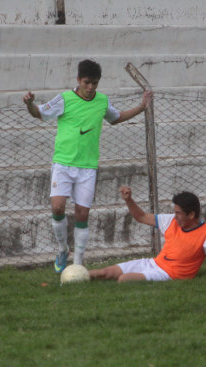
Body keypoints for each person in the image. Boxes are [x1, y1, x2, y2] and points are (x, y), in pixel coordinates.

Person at [23, 59, 153, 273]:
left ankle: (78, 264)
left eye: (95, 83)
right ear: (78, 80)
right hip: (63, 163)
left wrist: (141, 106)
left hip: (87, 167)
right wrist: (29, 104)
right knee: (57, 207)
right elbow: (39, 113)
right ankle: (63, 249)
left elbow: (117, 117)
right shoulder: (65, 99)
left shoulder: (102, 101)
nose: (91, 87)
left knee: (83, 213)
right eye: (87, 82)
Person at [89, 186, 206, 282]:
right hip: (154, 263)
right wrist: (129, 200)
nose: (175, 216)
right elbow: (141, 217)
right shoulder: (172, 220)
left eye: (178, 213)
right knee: (104, 273)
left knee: (123, 279)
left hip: (169, 275)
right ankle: (71, 278)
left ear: (191, 215)